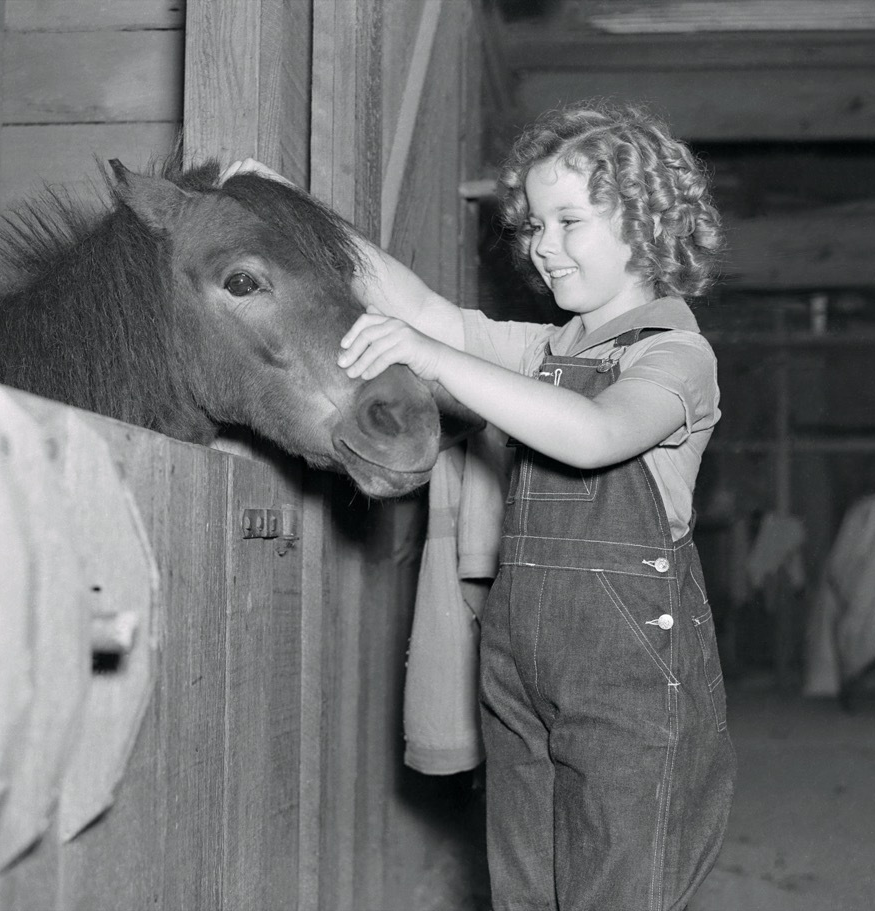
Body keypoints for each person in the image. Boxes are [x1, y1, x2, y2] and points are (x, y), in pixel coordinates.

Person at [225, 99, 735, 911]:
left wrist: (433, 358)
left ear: (646, 225)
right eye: (534, 225)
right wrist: (287, 205)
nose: (545, 247)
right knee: (526, 883)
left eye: (571, 221)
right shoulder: (546, 350)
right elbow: (425, 311)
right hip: (519, 654)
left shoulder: (678, 356)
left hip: (630, 667)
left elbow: (597, 433)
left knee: (626, 882)